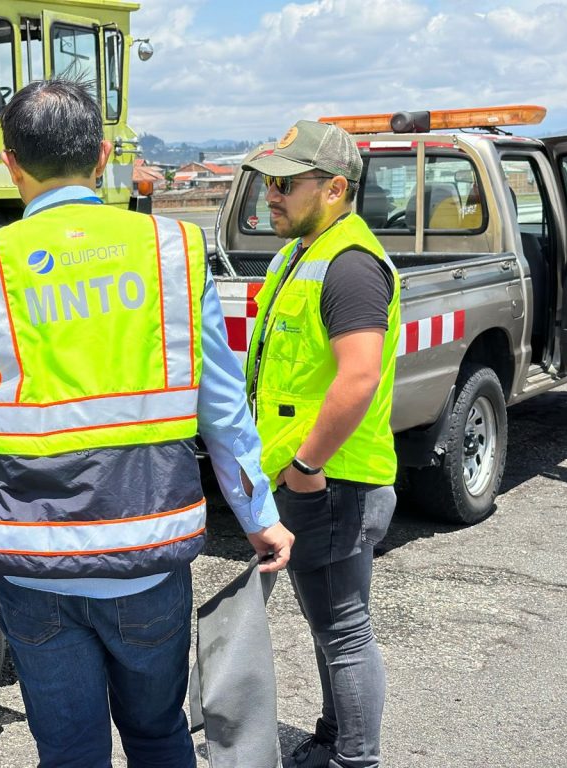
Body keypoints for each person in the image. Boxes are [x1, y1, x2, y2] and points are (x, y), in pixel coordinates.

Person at [0, 79, 294, 768]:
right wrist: (258, 514)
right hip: (148, 556)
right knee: (158, 735)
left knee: (69, 752)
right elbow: (222, 409)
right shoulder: (172, 252)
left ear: (11, 163)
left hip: (33, 567)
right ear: (101, 156)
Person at [242, 120, 401, 768]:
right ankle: (335, 738)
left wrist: (307, 466)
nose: (270, 195)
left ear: (334, 188)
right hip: (314, 478)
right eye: (267, 182)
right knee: (332, 623)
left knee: (343, 630)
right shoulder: (300, 255)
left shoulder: (350, 265)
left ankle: (353, 759)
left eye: (284, 183)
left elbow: (359, 374)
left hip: (334, 481)